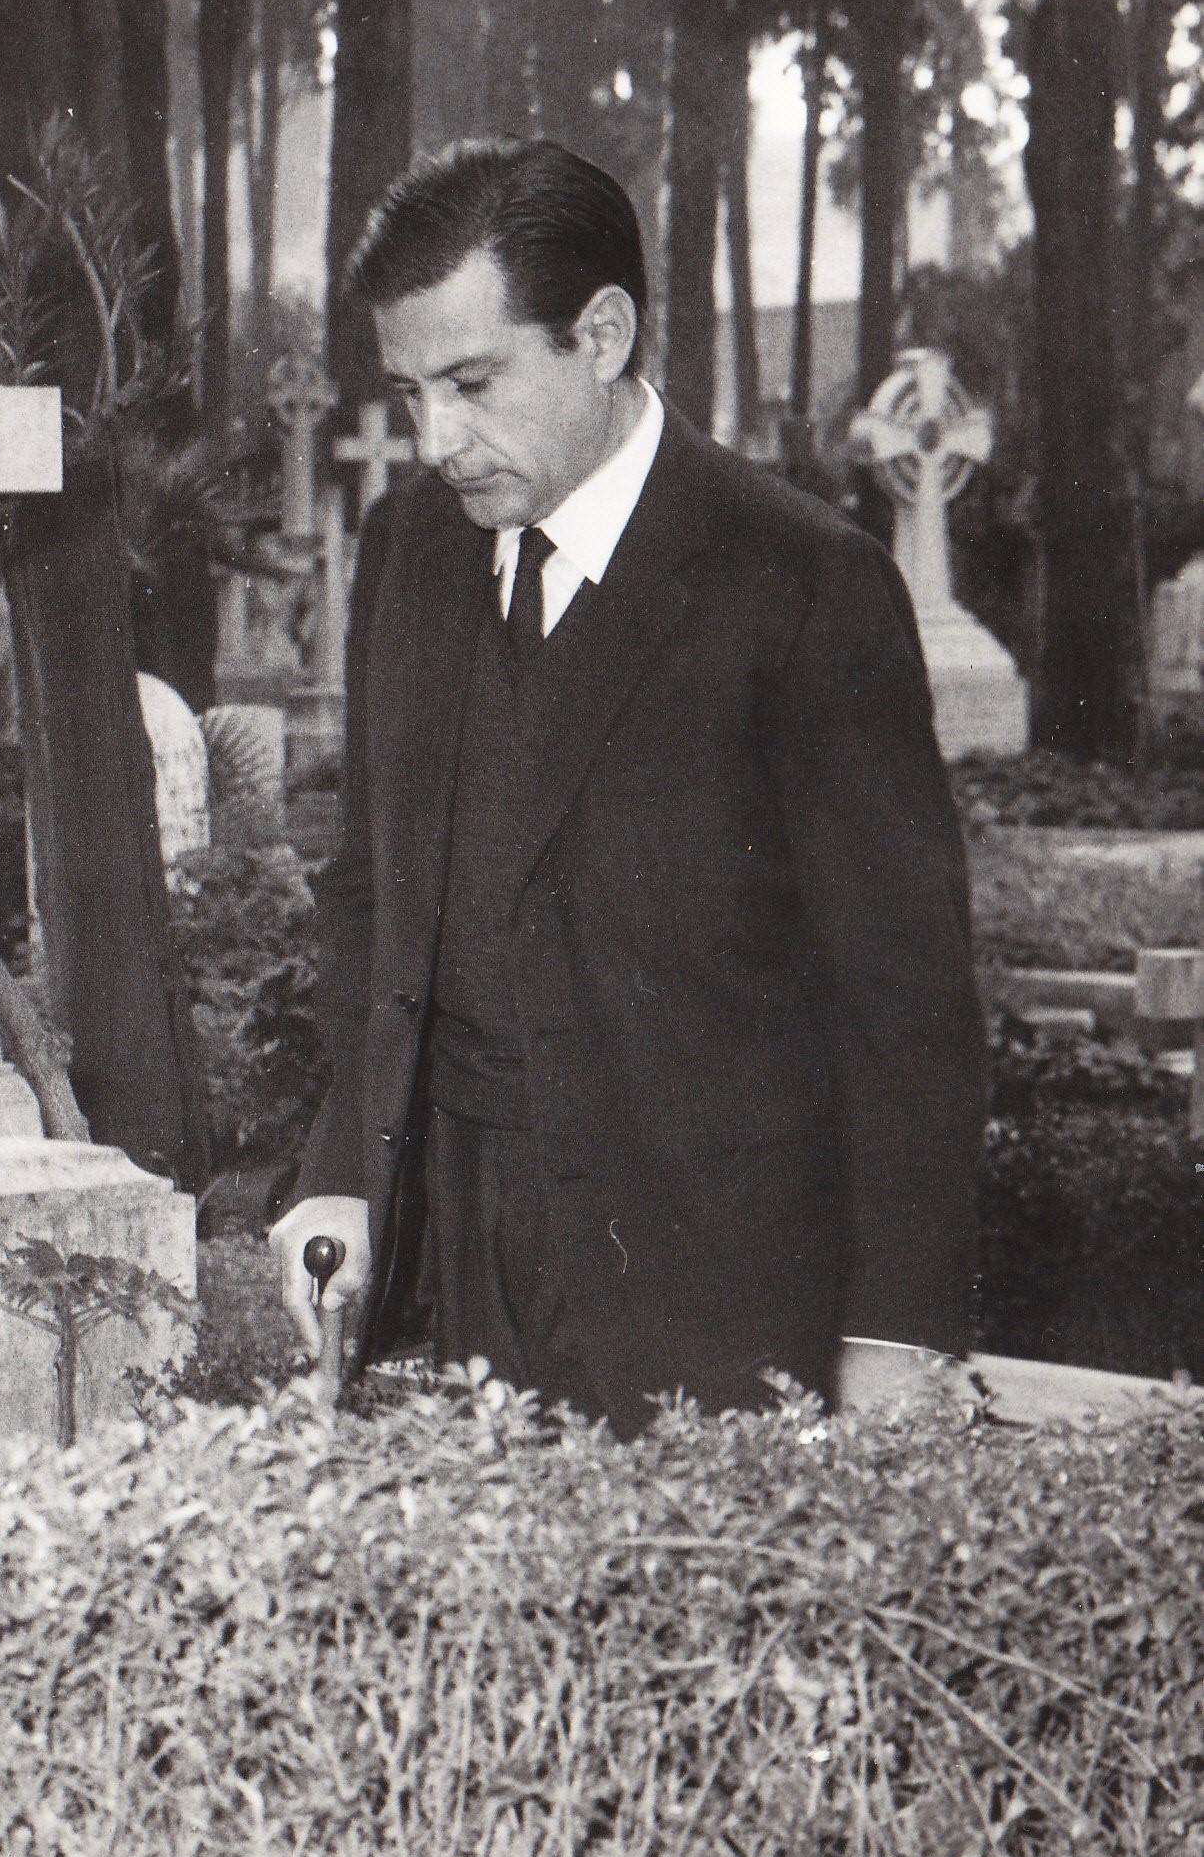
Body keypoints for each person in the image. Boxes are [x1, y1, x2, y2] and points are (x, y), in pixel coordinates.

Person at [260, 137, 985, 1433]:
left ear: (602, 335)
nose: (438, 439)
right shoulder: (410, 549)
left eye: (472, 383)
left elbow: (907, 1002)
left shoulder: (801, 580)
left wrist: (896, 1334)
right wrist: (341, 1174)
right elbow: (372, 893)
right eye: (412, 391)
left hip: (717, 1293)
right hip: (451, 1266)